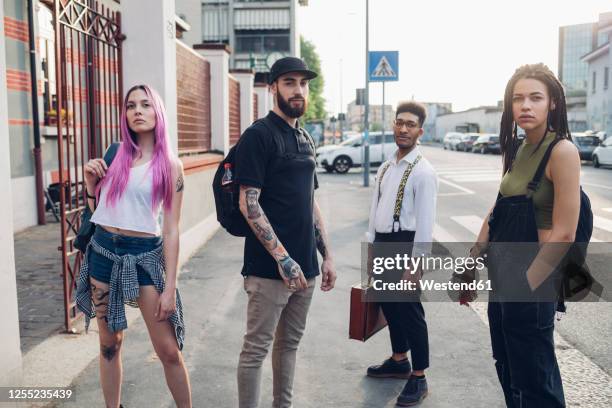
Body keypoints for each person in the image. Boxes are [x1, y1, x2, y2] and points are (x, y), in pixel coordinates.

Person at [76, 84, 192, 408]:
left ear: (158, 112)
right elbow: (98, 209)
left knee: (168, 350)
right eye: (130, 106)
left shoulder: (170, 165)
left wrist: (170, 287)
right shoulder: (115, 155)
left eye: (145, 105)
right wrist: (90, 184)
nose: (137, 111)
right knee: (109, 344)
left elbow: (171, 229)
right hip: (103, 253)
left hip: (143, 258)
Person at [472, 63, 580, 407]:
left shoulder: (561, 151)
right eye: (517, 98)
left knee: (535, 377)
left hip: (533, 282)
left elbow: (565, 232)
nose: (525, 105)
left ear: (552, 103)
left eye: (535, 97)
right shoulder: (518, 150)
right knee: (508, 365)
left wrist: (530, 281)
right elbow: (499, 207)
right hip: (503, 276)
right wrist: (471, 260)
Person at [234, 57, 337, 408]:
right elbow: (249, 204)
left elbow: (310, 201)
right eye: (289, 82)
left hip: (306, 268)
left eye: (303, 83)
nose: (298, 90)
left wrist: (327, 256)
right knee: (256, 350)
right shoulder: (258, 136)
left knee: (289, 345)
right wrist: (283, 260)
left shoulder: (305, 138)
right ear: (272, 88)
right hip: (268, 271)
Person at [365, 101, 438, 406]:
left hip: (407, 245)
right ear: (393, 126)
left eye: (410, 124)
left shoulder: (423, 172)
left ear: (420, 131)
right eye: (399, 123)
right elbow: (374, 210)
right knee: (389, 305)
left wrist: (415, 265)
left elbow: (425, 223)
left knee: (409, 312)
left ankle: (419, 376)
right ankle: (399, 360)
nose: (404, 129)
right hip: (383, 242)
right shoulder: (386, 166)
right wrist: (371, 248)